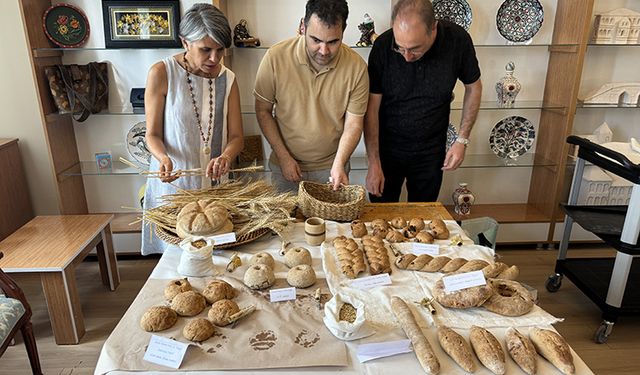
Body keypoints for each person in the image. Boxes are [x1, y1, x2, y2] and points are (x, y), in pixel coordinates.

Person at [142, 3, 244, 255]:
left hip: (213, 187)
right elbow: (151, 135)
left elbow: (236, 137)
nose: (214, 58)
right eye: (205, 49)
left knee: (215, 256)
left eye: (220, 50)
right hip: (175, 183)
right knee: (176, 257)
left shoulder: (228, 79)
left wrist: (226, 156)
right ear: (185, 42)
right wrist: (163, 157)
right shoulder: (162, 73)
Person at [364, 0, 482, 202]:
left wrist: (462, 139)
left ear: (433, 28)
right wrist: (373, 162)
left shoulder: (457, 40)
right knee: (379, 220)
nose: (407, 57)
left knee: (424, 218)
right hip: (387, 150)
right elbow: (372, 108)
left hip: (431, 151)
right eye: (400, 48)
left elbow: (474, 87)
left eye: (415, 48)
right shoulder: (383, 46)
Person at [254, 0, 369, 192]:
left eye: (333, 42)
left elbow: (353, 123)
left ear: (343, 31)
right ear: (302, 27)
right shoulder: (275, 57)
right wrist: (283, 156)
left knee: (334, 223)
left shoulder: (356, 67)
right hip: (285, 165)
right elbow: (263, 110)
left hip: (332, 167)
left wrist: (339, 163)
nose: (324, 51)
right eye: (316, 40)